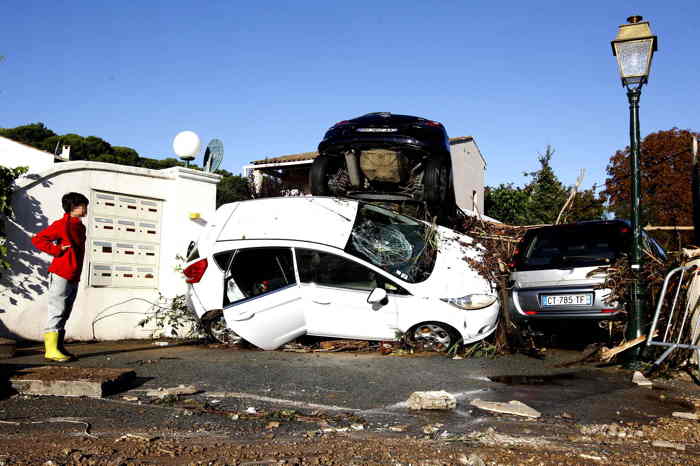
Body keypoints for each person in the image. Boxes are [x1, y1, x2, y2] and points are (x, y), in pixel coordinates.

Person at [31, 192, 89, 362]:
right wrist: (57, 250)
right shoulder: (62, 224)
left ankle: (58, 346)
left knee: (65, 311)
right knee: (57, 310)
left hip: (74, 274)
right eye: (83, 205)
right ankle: (50, 350)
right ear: (73, 207)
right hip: (61, 273)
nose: (86, 208)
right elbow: (38, 239)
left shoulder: (80, 226)